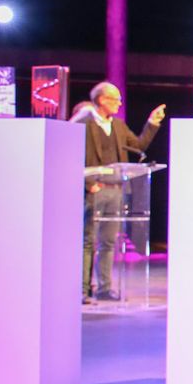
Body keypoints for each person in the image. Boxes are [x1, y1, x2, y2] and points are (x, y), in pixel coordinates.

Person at [81, 82, 165, 302]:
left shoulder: (118, 126)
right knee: (88, 241)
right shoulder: (85, 124)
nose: (119, 103)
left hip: (115, 190)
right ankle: (82, 289)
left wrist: (151, 123)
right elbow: (75, 153)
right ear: (101, 100)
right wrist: (89, 183)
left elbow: (138, 145)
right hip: (94, 190)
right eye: (115, 99)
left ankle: (105, 288)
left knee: (108, 242)